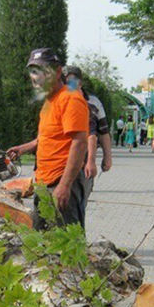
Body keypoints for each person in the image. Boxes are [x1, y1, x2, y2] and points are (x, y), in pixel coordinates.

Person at [7, 48, 89, 230]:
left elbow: (79, 142)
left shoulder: (70, 99)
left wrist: (65, 185)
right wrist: (24, 148)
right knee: (41, 244)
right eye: (33, 72)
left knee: (67, 247)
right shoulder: (49, 101)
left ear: (58, 71)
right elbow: (46, 138)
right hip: (43, 183)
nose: (36, 77)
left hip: (61, 182)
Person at [64, 66, 113, 209]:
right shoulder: (60, 101)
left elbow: (100, 132)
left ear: (80, 83)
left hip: (83, 161)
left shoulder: (93, 103)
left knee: (78, 204)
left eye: (73, 81)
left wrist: (107, 157)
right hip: (62, 159)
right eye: (66, 81)